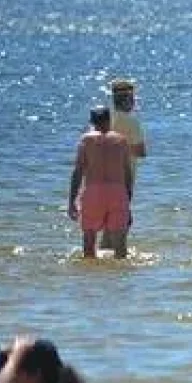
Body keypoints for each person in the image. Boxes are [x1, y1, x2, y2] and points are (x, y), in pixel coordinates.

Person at [67, 106, 134, 260]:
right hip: (117, 192)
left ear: (92, 122)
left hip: (93, 192)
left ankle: (91, 278)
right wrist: (128, 202)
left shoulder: (86, 139)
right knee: (120, 247)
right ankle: (119, 280)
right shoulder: (121, 140)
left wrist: (71, 201)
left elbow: (78, 171)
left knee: (89, 243)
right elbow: (127, 173)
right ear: (109, 121)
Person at [106, 79, 147, 253]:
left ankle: (103, 259)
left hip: (102, 177)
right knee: (121, 222)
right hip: (124, 178)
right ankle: (117, 260)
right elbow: (140, 151)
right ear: (128, 100)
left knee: (108, 222)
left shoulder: (105, 118)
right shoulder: (131, 122)